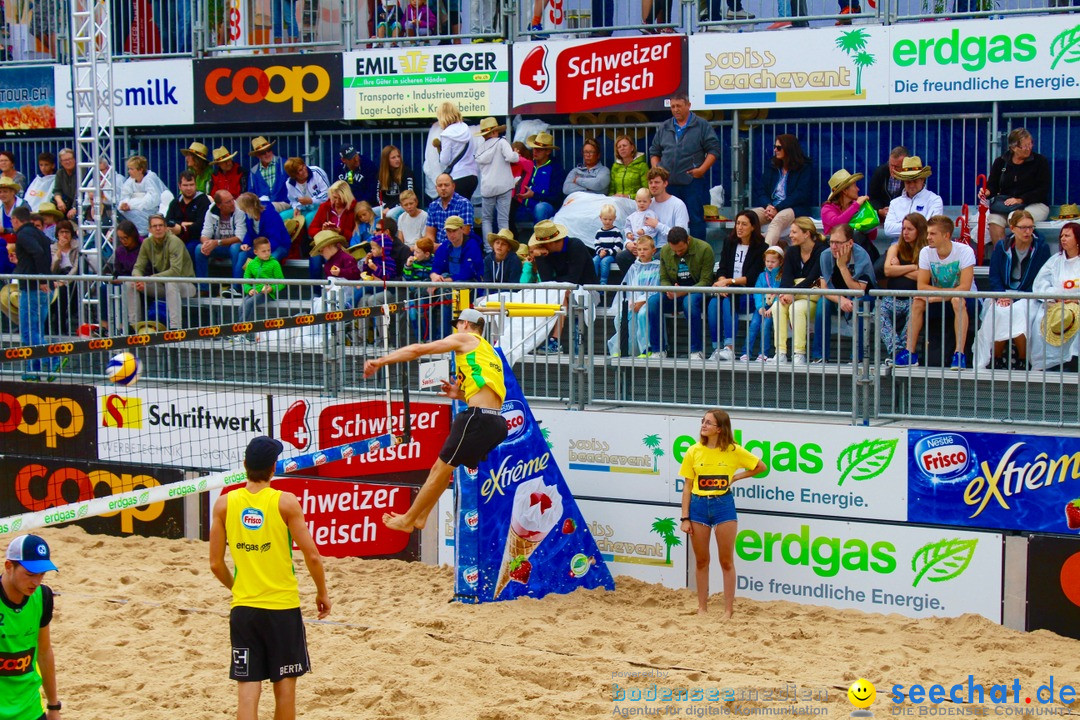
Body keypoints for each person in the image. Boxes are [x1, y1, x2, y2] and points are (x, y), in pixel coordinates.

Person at [209, 436, 330, 720]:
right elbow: (312, 556)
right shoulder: (285, 503)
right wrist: (322, 593)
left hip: (244, 610)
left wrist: (238, 588)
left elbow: (215, 564)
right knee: (285, 691)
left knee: (248, 692)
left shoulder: (225, 504)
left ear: (244, 465)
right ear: (274, 468)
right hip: (282, 610)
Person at [364, 308, 508, 534]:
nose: (455, 329)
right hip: (497, 423)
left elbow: (419, 349)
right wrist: (458, 394)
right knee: (443, 468)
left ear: (466, 325)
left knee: (439, 469)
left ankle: (408, 519)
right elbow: (489, 391)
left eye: (457, 324)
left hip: (477, 419)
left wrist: (381, 361)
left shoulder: (466, 339)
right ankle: (420, 517)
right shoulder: (489, 352)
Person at [678, 409, 766, 617]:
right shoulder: (693, 451)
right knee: (701, 561)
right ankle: (702, 608)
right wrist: (685, 517)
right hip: (698, 507)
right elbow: (687, 487)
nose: (703, 425)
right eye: (703, 421)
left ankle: (728, 610)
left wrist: (736, 477)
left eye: (708, 422)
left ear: (720, 428)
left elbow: (760, 466)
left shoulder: (733, 450)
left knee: (726, 561)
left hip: (723, 505)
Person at [894, 215, 976, 370]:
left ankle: (959, 354)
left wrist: (937, 296)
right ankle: (909, 353)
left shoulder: (965, 251)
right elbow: (922, 286)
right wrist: (939, 296)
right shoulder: (926, 252)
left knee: (957, 300)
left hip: (967, 299)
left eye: (932, 234)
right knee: (918, 300)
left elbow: (964, 288)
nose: (928, 237)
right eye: (928, 233)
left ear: (946, 235)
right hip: (941, 298)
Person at [975, 209, 1051, 369]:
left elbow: (1040, 278)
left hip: (1028, 294)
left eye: (1030, 227)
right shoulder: (1002, 246)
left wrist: (1015, 298)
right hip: (1004, 293)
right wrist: (1002, 295)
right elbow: (994, 276)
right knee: (999, 311)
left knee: (1020, 311)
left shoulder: (1041, 248)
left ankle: (1023, 359)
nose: (1027, 231)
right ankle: (995, 358)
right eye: (1023, 227)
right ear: (1013, 227)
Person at [1, 534, 62, 720]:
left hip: (30, 709)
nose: (36, 582)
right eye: (30, 574)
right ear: (9, 566)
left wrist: (53, 706)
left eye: (42, 574)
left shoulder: (42, 597)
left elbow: (44, 652)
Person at [650, 93, 721, 241]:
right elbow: (654, 151)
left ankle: (697, 253)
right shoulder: (664, 126)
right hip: (668, 182)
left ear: (688, 106)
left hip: (692, 181)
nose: (676, 110)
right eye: (673, 107)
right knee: (666, 219)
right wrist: (657, 171)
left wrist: (701, 170)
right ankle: (669, 251)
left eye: (679, 106)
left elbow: (714, 150)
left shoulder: (701, 125)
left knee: (695, 219)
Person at [529, 220, 599, 353]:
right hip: (566, 291)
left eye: (542, 244)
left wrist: (557, 285)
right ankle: (538, 340)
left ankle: (555, 340)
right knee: (556, 293)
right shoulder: (548, 253)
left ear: (550, 242)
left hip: (588, 291)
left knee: (562, 293)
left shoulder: (576, 245)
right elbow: (547, 281)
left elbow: (573, 278)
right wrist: (541, 258)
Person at [647, 226, 714, 360]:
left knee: (689, 302)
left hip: (698, 291)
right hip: (675, 291)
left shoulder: (705, 249)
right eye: (674, 250)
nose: (678, 253)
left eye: (681, 250)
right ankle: (658, 349)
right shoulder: (665, 251)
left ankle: (696, 350)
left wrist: (681, 292)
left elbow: (706, 281)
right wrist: (669, 289)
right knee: (653, 302)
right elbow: (664, 277)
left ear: (688, 240)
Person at [708, 210, 766, 361]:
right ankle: (717, 347)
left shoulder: (761, 247)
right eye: (738, 223)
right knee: (713, 303)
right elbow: (722, 267)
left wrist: (728, 282)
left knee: (729, 299)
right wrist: (722, 282)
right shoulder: (730, 242)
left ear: (753, 227)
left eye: (744, 224)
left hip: (748, 294)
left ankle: (730, 347)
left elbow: (752, 277)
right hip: (728, 290)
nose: (739, 227)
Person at [979, 128, 1051, 247]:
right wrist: (986, 192)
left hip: (1035, 204)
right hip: (1006, 205)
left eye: (1030, 144)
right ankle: (1002, 256)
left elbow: (1043, 188)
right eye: (1024, 146)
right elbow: (993, 185)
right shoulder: (1000, 162)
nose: (1028, 148)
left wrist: (1021, 199)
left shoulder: (1040, 161)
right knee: (993, 219)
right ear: (1013, 148)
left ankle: (1020, 257)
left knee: (1017, 218)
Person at [12, 206, 59, 380]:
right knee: (36, 331)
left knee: (27, 332)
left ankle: (54, 357)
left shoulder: (24, 235)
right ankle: (35, 370)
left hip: (32, 289)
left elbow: (38, 253)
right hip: (40, 289)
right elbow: (39, 255)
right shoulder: (40, 234)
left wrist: (41, 279)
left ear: (16, 220)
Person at [817, 223, 876, 362]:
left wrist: (842, 266)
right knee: (822, 304)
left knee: (860, 305)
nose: (833, 246)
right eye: (831, 242)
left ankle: (857, 357)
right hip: (838, 296)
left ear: (850, 243)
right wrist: (840, 300)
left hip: (864, 295)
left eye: (838, 242)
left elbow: (859, 290)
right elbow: (824, 288)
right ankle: (820, 356)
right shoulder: (825, 255)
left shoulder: (861, 255)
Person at [127, 213, 197, 330]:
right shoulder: (147, 243)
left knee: (171, 282)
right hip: (162, 285)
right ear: (149, 229)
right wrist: (138, 278)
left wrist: (151, 278)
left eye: (161, 225)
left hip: (185, 284)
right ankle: (134, 326)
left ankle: (175, 328)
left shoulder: (174, 241)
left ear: (165, 227)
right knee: (130, 284)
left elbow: (175, 271)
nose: (158, 228)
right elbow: (138, 267)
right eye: (154, 226)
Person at [1028, 223, 1080, 371]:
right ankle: (1049, 364)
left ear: (1077, 239)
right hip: (1055, 305)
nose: (1063, 239)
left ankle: (1073, 361)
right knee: (1039, 320)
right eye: (1061, 236)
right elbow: (1040, 283)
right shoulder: (1055, 261)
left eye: (1067, 235)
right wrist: (1055, 297)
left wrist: (1075, 299)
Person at [777, 217, 826, 364]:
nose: (790, 235)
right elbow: (786, 277)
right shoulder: (792, 251)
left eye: (794, 232)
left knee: (796, 309)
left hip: (813, 293)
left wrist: (791, 293)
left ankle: (799, 353)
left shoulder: (822, 250)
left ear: (807, 234)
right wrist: (786, 292)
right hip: (796, 293)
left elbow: (812, 278)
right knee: (777, 307)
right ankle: (781, 352)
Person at [879, 213, 928, 358]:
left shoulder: (926, 251)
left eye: (910, 229)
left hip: (914, 298)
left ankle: (904, 352)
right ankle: (898, 351)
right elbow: (888, 271)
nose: (905, 232)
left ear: (919, 230)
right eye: (903, 229)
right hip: (893, 297)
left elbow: (923, 276)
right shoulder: (896, 248)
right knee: (878, 314)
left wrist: (899, 269)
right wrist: (914, 267)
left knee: (912, 317)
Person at [751, 134, 814, 246]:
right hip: (771, 207)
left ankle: (764, 255)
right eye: (775, 146)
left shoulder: (804, 167)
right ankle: (739, 252)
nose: (775, 150)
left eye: (779, 147)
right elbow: (760, 190)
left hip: (793, 208)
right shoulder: (772, 165)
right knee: (747, 217)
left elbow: (800, 194)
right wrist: (768, 206)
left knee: (778, 220)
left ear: (789, 149)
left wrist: (778, 208)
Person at [430, 215, 483, 338]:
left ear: (462, 229)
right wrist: (434, 277)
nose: (451, 234)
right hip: (448, 285)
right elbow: (436, 267)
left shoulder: (472, 245)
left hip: (471, 287)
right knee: (423, 294)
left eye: (454, 231)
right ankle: (429, 337)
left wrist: (444, 281)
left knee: (447, 294)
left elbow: (467, 273)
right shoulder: (445, 246)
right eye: (448, 231)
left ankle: (446, 337)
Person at [473, 117, 518, 242]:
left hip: (487, 188)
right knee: (503, 219)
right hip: (504, 186)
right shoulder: (502, 142)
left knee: (487, 219)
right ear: (494, 132)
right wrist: (516, 154)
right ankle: (504, 246)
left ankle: (488, 248)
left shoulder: (480, 150)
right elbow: (511, 158)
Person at [821, 168, 878, 264]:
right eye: (854, 186)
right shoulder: (827, 209)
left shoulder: (859, 206)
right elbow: (837, 224)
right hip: (836, 252)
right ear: (844, 191)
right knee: (854, 235)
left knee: (858, 235)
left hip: (861, 251)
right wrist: (856, 205)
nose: (858, 189)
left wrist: (869, 214)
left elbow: (873, 236)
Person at [197, 190, 247, 293]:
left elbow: (240, 237)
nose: (232, 203)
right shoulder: (211, 212)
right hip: (219, 246)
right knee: (199, 249)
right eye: (228, 202)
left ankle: (236, 287)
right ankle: (203, 289)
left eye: (232, 199)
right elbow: (205, 234)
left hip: (235, 246)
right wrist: (207, 244)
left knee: (235, 247)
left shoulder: (239, 211)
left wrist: (216, 243)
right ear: (219, 205)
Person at [882, 156, 944, 238]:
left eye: (915, 181)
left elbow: (931, 228)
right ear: (903, 181)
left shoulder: (934, 200)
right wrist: (916, 227)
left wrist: (903, 227)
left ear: (922, 179)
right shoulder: (894, 203)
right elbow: (888, 230)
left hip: (924, 246)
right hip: (899, 247)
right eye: (908, 182)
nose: (911, 185)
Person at [235, 193, 291, 282]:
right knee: (242, 255)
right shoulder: (249, 216)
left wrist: (261, 253)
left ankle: (263, 291)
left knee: (266, 262)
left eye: (243, 209)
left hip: (278, 246)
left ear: (249, 207)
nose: (242, 211)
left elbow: (275, 239)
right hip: (260, 247)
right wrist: (246, 243)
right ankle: (236, 288)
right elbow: (249, 233)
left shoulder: (270, 215)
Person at [309, 181, 358, 281]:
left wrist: (340, 231)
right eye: (333, 197)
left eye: (338, 198)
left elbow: (354, 235)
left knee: (338, 259)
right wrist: (323, 231)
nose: (335, 201)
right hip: (326, 244)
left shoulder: (354, 209)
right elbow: (311, 230)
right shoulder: (324, 207)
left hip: (343, 246)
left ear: (346, 196)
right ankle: (316, 293)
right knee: (315, 257)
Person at [239, 236, 285, 333]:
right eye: (264, 251)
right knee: (241, 307)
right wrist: (249, 289)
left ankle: (240, 332)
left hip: (267, 293)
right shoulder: (251, 263)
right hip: (255, 291)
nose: (267, 253)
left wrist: (271, 289)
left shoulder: (274, 263)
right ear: (256, 252)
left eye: (269, 250)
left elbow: (282, 282)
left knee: (248, 303)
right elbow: (246, 279)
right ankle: (242, 332)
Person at [745, 246, 784, 361]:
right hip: (761, 307)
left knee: (765, 326)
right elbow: (757, 292)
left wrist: (772, 308)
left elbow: (781, 292)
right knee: (753, 325)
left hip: (774, 308)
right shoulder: (762, 276)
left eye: (773, 261)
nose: (769, 264)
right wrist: (760, 307)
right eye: (767, 261)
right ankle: (746, 352)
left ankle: (763, 353)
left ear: (780, 261)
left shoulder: (781, 276)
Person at [435, 102, 479, 200]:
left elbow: (444, 160)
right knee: (464, 209)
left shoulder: (446, 134)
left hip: (457, 176)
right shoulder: (466, 128)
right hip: (472, 175)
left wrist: (440, 149)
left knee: (453, 212)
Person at [519, 132, 564, 223]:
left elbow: (556, 197)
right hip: (524, 206)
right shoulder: (528, 165)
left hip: (545, 207)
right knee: (502, 207)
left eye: (539, 150)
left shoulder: (556, 169)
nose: (535, 152)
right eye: (534, 149)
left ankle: (539, 236)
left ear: (548, 151)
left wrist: (534, 195)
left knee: (540, 208)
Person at [167, 170, 211, 264]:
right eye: (185, 185)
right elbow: (168, 222)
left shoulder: (203, 200)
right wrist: (184, 224)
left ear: (196, 185)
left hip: (197, 239)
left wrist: (181, 228)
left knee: (189, 248)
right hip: (176, 238)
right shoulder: (175, 202)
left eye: (191, 185)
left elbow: (201, 225)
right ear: (179, 186)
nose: (189, 188)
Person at [117, 155, 165, 235]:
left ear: (140, 170)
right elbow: (125, 195)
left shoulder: (150, 178)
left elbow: (152, 200)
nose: (129, 171)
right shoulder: (130, 180)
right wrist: (124, 204)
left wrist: (131, 204)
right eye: (129, 169)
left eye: (132, 169)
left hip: (153, 212)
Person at [424, 173, 474, 246]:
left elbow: (464, 233)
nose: (443, 188)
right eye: (440, 185)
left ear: (453, 186)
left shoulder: (464, 204)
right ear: (436, 188)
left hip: (460, 247)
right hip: (437, 249)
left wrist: (441, 247)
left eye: (446, 185)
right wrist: (431, 246)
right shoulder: (433, 206)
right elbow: (429, 234)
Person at [49, 220, 80, 335]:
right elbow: (52, 268)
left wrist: (64, 281)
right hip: (56, 276)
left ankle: (60, 327)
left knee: (62, 293)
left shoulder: (77, 247)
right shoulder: (52, 247)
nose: (64, 235)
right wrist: (59, 252)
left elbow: (76, 268)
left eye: (67, 232)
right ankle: (49, 327)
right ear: (57, 234)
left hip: (72, 279)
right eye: (61, 232)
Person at [283, 157, 330, 229]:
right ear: (294, 175)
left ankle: (310, 239)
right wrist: (296, 208)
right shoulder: (289, 183)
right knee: (283, 216)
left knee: (309, 218)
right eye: (300, 170)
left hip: (322, 207)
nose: (304, 170)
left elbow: (327, 193)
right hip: (303, 209)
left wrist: (311, 200)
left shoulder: (316, 172)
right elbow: (293, 200)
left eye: (303, 166)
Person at [867, 146, 908, 222]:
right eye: (891, 165)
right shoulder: (880, 172)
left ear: (905, 166)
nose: (893, 169)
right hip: (882, 218)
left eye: (897, 167)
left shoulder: (911, 177)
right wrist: (880, 210)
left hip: (905, 217)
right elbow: (873, 198)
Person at [247, 136, 288, 207]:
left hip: (285, 202)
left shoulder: (285, 164)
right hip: (262, 205)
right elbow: (251, 193)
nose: (267, 154)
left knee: (269, 209)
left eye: (268, 150)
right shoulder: (253, 172)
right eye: (263, 152)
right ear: (258, 155)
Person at [375, 145, 415, 211]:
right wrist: (385, 206)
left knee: (390, 214)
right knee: (370, 212)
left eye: (398, 156)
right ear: (386, 160)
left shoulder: (407, 172)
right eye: (393, 158)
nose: (397, 159)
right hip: (386, 206)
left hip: (403, 205)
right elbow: (379, 195)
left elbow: (408, 194)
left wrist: (390, 208)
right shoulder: (381, 174)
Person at [609, 134, 648, 198]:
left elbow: (647, 191)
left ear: (632, 148)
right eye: (619, 147)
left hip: (636, 203)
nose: (622, 148)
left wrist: (629, 196)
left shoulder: (642, 166)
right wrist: (612, 196)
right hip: (618, 202)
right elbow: (611, 190)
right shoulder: (615, 166)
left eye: (624, 146)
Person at [594, 203, 623, 285]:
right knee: (594, 261)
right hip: (601, 253)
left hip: (612, 255)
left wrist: (607, 252)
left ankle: (603, 284)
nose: (607, 222)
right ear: (601, 218)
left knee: (605, 262)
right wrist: (600, 251)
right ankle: (594, 281)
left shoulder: (616, 231)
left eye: (610, 219)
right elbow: (596, 245)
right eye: (605, 219)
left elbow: (619, 246)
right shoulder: (599, 232)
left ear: (614, 219)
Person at [52, 149, 77, 221]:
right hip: (67, 203)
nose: (68, 162)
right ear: (61, 162)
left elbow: (81, 193)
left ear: (75, 159)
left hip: (80, 203)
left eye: (70, 159)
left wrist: (74, 208)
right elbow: (57, 190)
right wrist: (59, 201)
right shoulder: (60, 173)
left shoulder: (81, 170)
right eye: (65, 160)